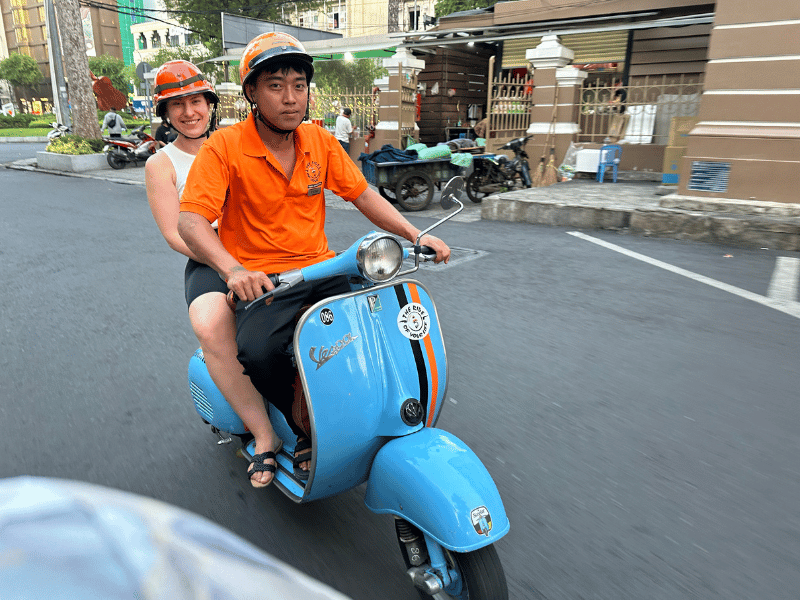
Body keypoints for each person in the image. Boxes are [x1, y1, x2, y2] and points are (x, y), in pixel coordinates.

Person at [177, 32, 450, 481]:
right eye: (276, 85)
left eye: (299, 85)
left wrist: (414, 232)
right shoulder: (223, 148)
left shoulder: (319, 142)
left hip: (321, 267)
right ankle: (301, 428)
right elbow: (190, 222)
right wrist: (234, 270)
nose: (290, 98)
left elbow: (363, 195)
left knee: (381, 326)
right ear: (251, 92)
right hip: (264, 279)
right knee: (260, 351)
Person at [145, 60, 283, 489]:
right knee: (209, 325)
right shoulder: (161, 164)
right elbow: (174, 233)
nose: (189, 112)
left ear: (210, 104)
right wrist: (228, 264)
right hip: (208, 260)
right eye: (177, 105)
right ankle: (264, 436)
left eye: (196, 101)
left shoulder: (237, 143)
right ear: (165, 114)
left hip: (264, 249)